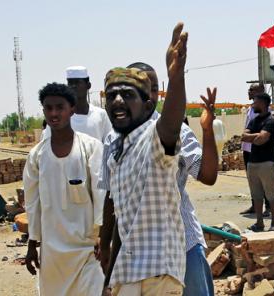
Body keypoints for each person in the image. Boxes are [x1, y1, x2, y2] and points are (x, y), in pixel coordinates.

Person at [98, 61, 218, 296]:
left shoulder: (171, 130)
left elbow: (207, 175)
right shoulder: (113, 141)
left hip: (183, 243)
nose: (151, 94)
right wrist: (105, 246)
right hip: (135, 254)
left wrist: (207, 130)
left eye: (155, 88)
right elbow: (113, 201)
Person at [99, 23, 191, 295]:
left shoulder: (153, 137)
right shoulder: (118, 153)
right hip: (128, 274)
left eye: (127, 95)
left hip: (157, 276)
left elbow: (171, 124)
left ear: (148, 105)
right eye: (112, 95)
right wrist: (109, 282)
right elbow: (122, 225)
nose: (117, 100)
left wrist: (176, 77)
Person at [24, 82, 105, 295]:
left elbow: (101, 194)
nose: (54, 113)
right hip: (52, 252)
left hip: (87, 248)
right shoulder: (36, 156)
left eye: (59, 107)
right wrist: (33, 243)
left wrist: (102, 235)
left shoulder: (91, 148)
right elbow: (32, 203)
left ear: (72, 110)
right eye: (48, 108)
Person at [41, 66, 113, 143]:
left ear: (88, 85)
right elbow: (47, 146)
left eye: (77, 82)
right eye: (70, 83)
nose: (73, 86)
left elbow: (110, 144)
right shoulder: (59, 117)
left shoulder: (100, 115)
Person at [242, 93, 274, 232]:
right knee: (256, 195)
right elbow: (243, 137)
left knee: (271, 195)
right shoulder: (254, 120)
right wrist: (255, 136)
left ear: (263, 103)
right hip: (253, 163)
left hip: (267, 163)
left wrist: (254, 137)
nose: (253, 104)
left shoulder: (271, 121)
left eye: (255, 102)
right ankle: (259, 223)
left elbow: (262, 139)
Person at [240, 83, 271, 216]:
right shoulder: (251, 109)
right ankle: (254, 205)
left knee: (263, 179)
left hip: (258, 149)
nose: (249, 91)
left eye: (252, 90)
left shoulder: (265, 110)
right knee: (252, 179)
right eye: (249, 89)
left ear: (261, 91)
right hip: (248, 149)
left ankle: (269, 207)